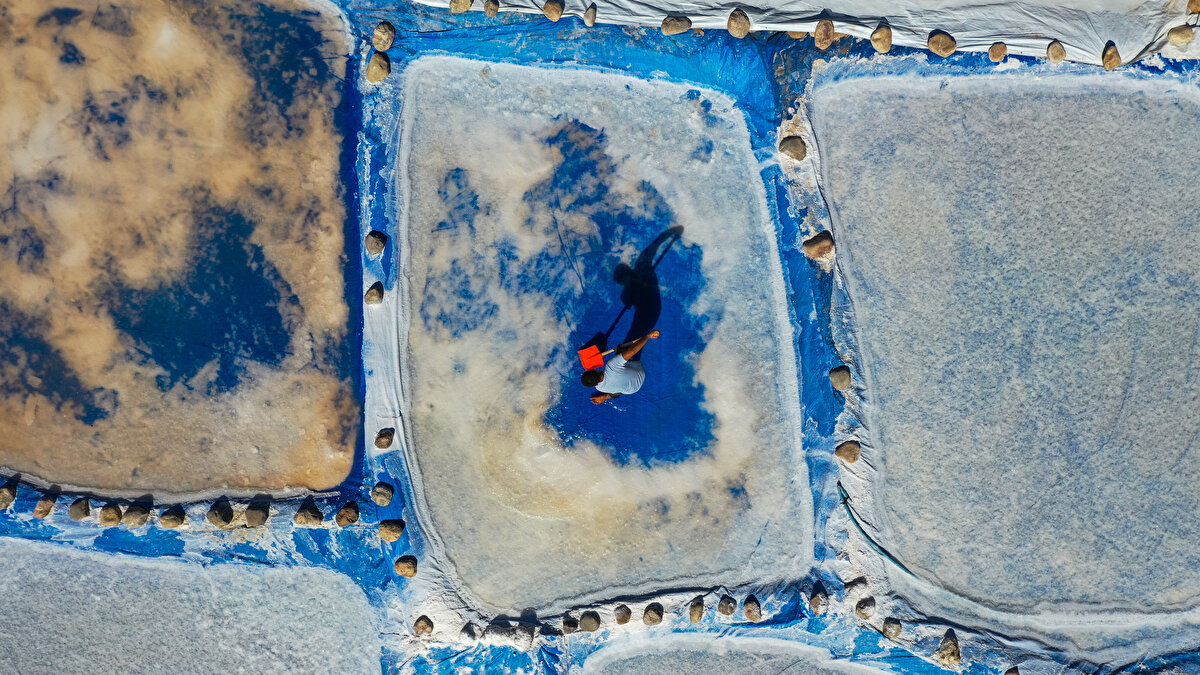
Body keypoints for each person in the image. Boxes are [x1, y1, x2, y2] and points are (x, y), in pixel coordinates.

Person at [581, 330, 660, 404]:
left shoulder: (600, 388)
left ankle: (605, 397)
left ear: (595, 385)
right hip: (639, 370)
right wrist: (647, 336)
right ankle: (621, 354)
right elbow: (632, 351)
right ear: (595, 370)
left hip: (633, 389)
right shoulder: (611, 366)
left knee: (616, 390)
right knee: (621, 359)